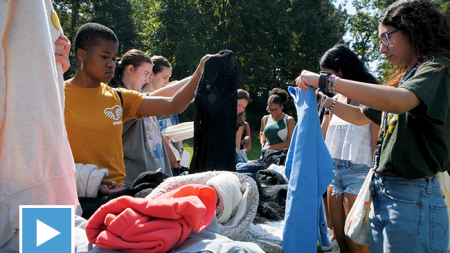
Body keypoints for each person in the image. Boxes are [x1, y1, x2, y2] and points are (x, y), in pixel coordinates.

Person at [296, 0, 450, 252]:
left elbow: (399, 102)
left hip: (413, 195)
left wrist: (327, 81)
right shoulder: (408, 79)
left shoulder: (437, 69)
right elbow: (360, 117)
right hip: (388, 193)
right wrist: (325, 100)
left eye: (386, 38)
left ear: (412, 30)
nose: (381, 49)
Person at [64, 23, 211, 185]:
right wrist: (89, 184)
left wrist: (200, 72)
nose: (111, 64)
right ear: (81, 55)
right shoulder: (56, 95)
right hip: (72, 193)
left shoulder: (120, 98)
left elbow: (173, 105)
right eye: (104, 56)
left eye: (114, 58)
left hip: (117, 193)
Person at [320, 44, 379, 253]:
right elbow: (323, 135)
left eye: (327, 75)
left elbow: (376, 138)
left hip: (360, 172)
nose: (323, 81)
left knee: (356, 240)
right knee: (338, 237)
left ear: (341, 71)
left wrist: (376, 175)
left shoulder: (370, 96)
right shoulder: (333, 101)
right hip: (334, 172)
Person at [108, 49, 176, 184]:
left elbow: (173, 105)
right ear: (130, 69)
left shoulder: (138, 97)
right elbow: (170, 101)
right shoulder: (121, 99)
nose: (147, 80)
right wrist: (198, 76)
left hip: (157, 179)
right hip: (137, 182)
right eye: (145, 74)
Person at [236, 89, 252, 162]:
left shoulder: (240, 123)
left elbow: (237, 145)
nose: (241, 109)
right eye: (239, 105)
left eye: (244, 107)